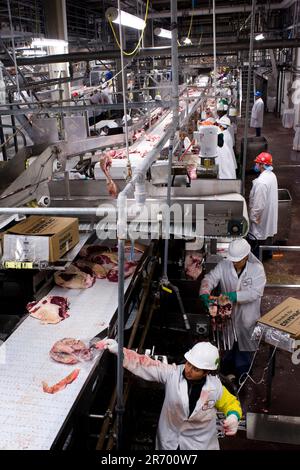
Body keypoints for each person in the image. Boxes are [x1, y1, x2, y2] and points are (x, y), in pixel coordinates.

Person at [100, 340, 242, 450]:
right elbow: (144, 363)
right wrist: (120, 351)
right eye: (188, 364)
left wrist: (233, 416)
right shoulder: (172, 374)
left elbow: (230, 403)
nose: (188, 370)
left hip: (200, 444)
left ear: (206, 372)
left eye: (196, 369)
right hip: (170, 441)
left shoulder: (215, 387)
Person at [200, 238, 266, 381]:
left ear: (247, 256)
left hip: (247, 317)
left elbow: (256, 293)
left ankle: (243, 377)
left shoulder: (257, 269)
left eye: (238, 260)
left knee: (244, 351)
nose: (235, 262)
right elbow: (209, 278)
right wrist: (205, 292)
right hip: (228, 317)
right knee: (227, 348)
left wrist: (234, 296)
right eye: (233, 259)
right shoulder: (224, 265)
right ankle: (226, 377)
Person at [248, 152, 278, 257]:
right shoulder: (272, 175)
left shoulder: (261, 182)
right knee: (267, 236)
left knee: (258, 242)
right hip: (268, 217)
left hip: (261, 220)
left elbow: (258, 206)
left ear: (262, 165)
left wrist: (252, 218)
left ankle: (257, 260)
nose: (256, 165)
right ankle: (267, 254)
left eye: (257, 163)